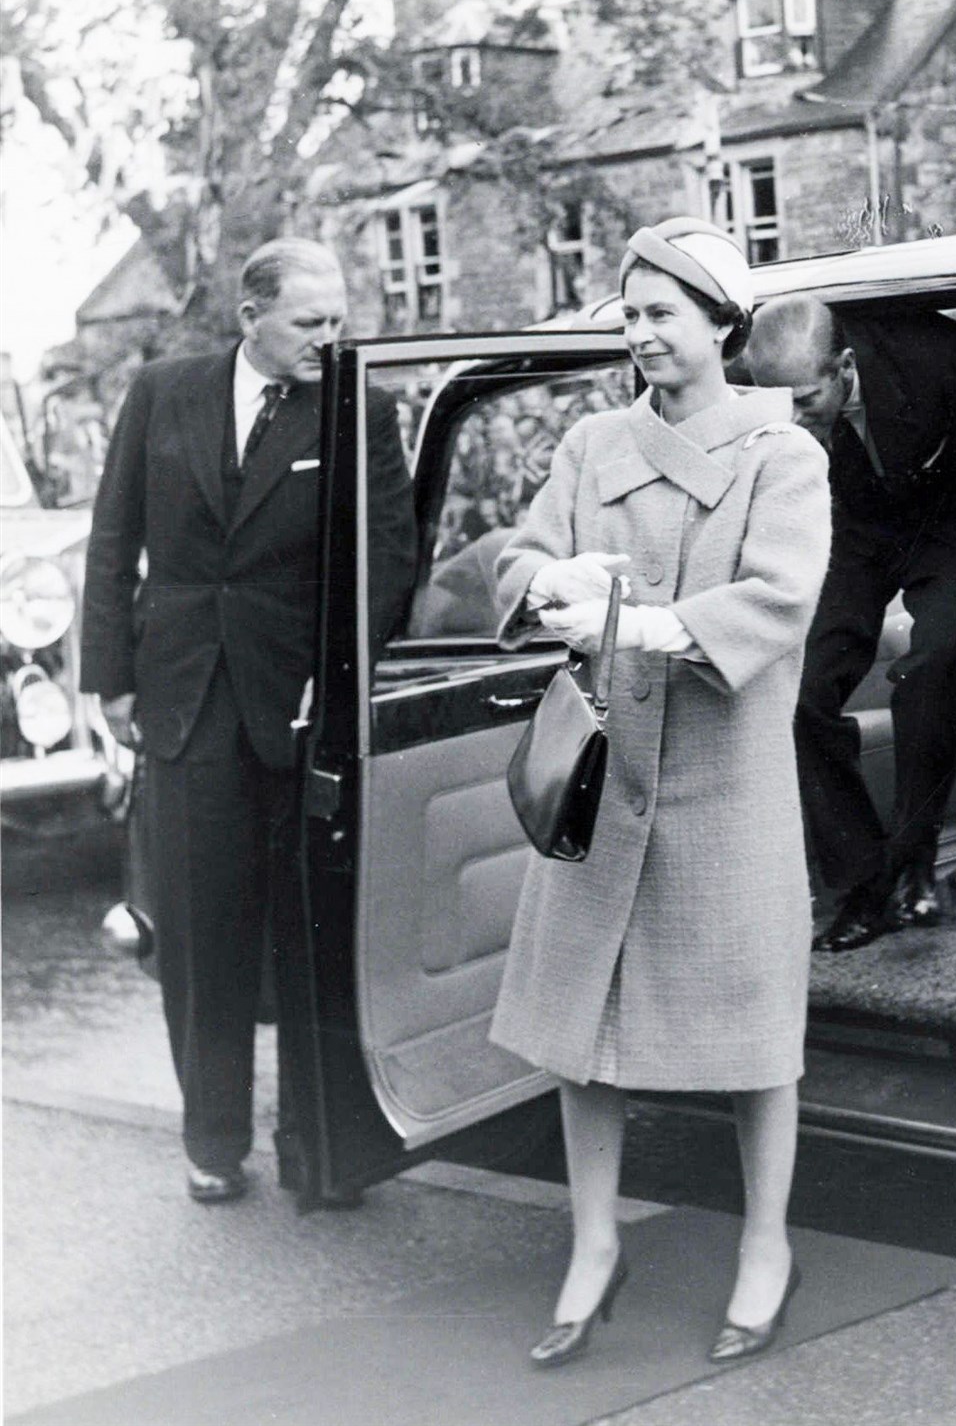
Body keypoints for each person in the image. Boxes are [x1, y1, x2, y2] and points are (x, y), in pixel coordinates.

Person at [490, 217, 831, 1367]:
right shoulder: (592, 443)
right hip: (603, 778)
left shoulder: (783, 456)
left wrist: (636, 620)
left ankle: (767, 1243)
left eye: (662, 315)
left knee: (752, 1035)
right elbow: (512, 557)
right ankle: (595, 1243)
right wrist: (549, 577)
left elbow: (781, 599)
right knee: (581, 1030)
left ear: (723, 326)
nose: (639, 335)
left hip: (723, 786)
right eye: (629, 316)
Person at [80, 238, 416, 1203]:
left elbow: (389, 560)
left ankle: (321, 1148)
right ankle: (212, 1145)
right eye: (310, 323)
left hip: (301, 706)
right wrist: (112, 680)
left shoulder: (363, 408)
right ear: (249, 318)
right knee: (197, 930)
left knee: (311, 931)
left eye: (339, 320)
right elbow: (114, 537)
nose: (331, 338)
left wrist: (337, 675)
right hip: (183, 698)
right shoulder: (161, 393)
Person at [743, 298, 956, 952]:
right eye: (778, 407)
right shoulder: (772, 404)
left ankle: (911, 869)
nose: (791, 421)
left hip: (952, 518)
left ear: (846, 368)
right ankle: (864, 885)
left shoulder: (939, 359)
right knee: (798, 688)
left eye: (805, 401)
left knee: (933, 667)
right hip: (857, 529)